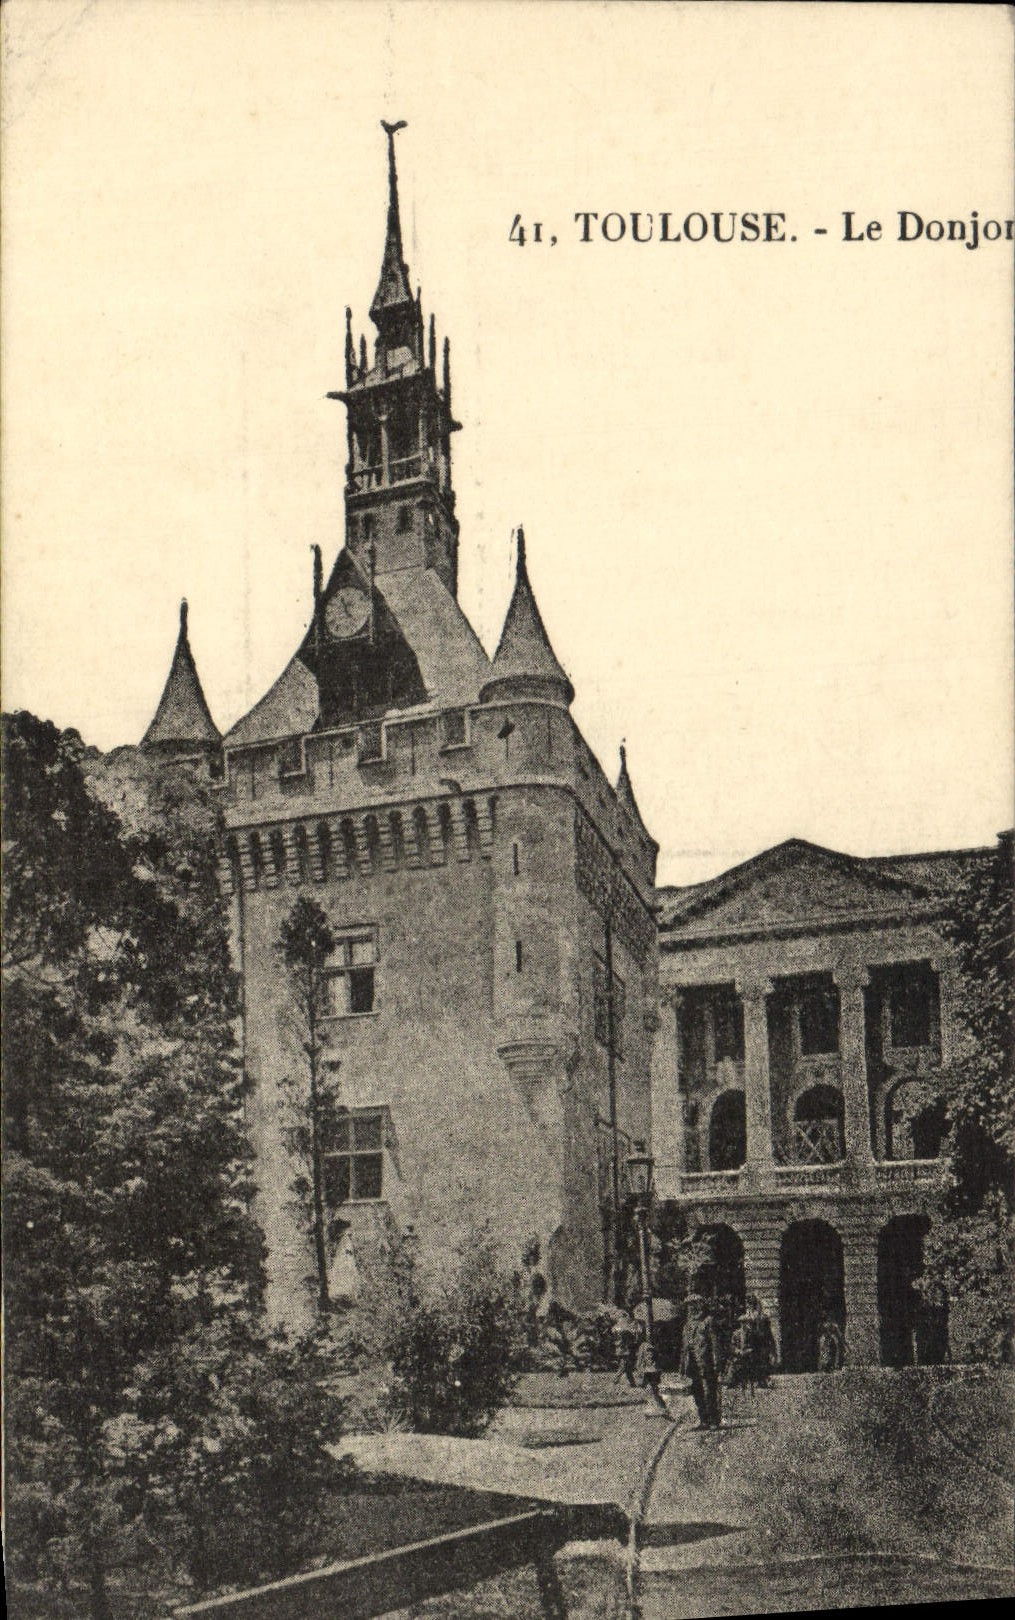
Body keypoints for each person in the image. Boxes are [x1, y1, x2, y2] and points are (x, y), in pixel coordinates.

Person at [681, 1293, 722, 1428]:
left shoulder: (708, 1321)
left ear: (700, 1305)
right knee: (697, 1391)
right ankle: (703, 1420)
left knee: (709, 1391)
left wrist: (716, 1363)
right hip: (692, 1363)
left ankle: (714, 1420)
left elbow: (715, 1344)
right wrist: (682, 1367)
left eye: (694, 1305)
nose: (691, 1308)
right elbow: (685, 1347)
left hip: (706, 1363)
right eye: (689, 1306)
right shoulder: (687, 1325)